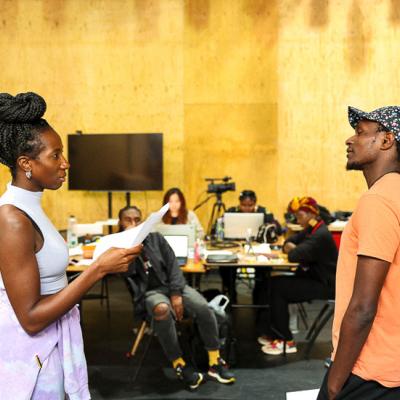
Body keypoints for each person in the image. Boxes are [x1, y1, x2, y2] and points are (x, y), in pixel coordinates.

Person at [0, 92, 141, 399]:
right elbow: (32, 318)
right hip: (30, 360)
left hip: (48, 350)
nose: (66, 163)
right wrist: (97, 270)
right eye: (55, 155)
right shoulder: (12, 218)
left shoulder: (31, 207)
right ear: (26, 163)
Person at [318, 106, 400, 399]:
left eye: (360, 132)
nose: (349, 140)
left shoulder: (378, 200)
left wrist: (334, 383)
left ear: (387, 140)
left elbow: (363, 307)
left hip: (368, 372)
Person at [119, 205, 235, 389]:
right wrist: (131, 247)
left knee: (202, 306)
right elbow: (128, 275)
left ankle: (214, 360)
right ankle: (179, 362)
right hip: (149, 293)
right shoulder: (119, 247)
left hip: (173, 286)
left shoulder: (156, 238)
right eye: (128, 220)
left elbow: (173, 264)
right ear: (121, 222)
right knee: (162, 309)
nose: (133, 223)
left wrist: (175, 294)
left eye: (137, 219)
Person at [259, 196, 338, 355]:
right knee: (273, 283)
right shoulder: (313, 227)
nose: (297, 219)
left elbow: (294, 254)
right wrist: (291, 247)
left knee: (279, 288)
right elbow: (290, 241)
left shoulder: (320, 234)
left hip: (326, 285)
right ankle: (275, 333)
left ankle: (286, 340)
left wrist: (292, 248)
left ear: (312, 215)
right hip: (313, 278)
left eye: (300, 215)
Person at [222, 190, 282, 303]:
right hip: (235, 247)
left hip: (258, 248)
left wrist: (271, 226)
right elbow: (219, 227)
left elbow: (278, 228)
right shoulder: (231, 212)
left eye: (250, 205)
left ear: (255, 203)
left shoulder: (263, 212)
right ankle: (231, 295)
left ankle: (259, 298)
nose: (246, 208)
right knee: (226, 268)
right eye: (243, 205)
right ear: (239, 203)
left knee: (263, 269)